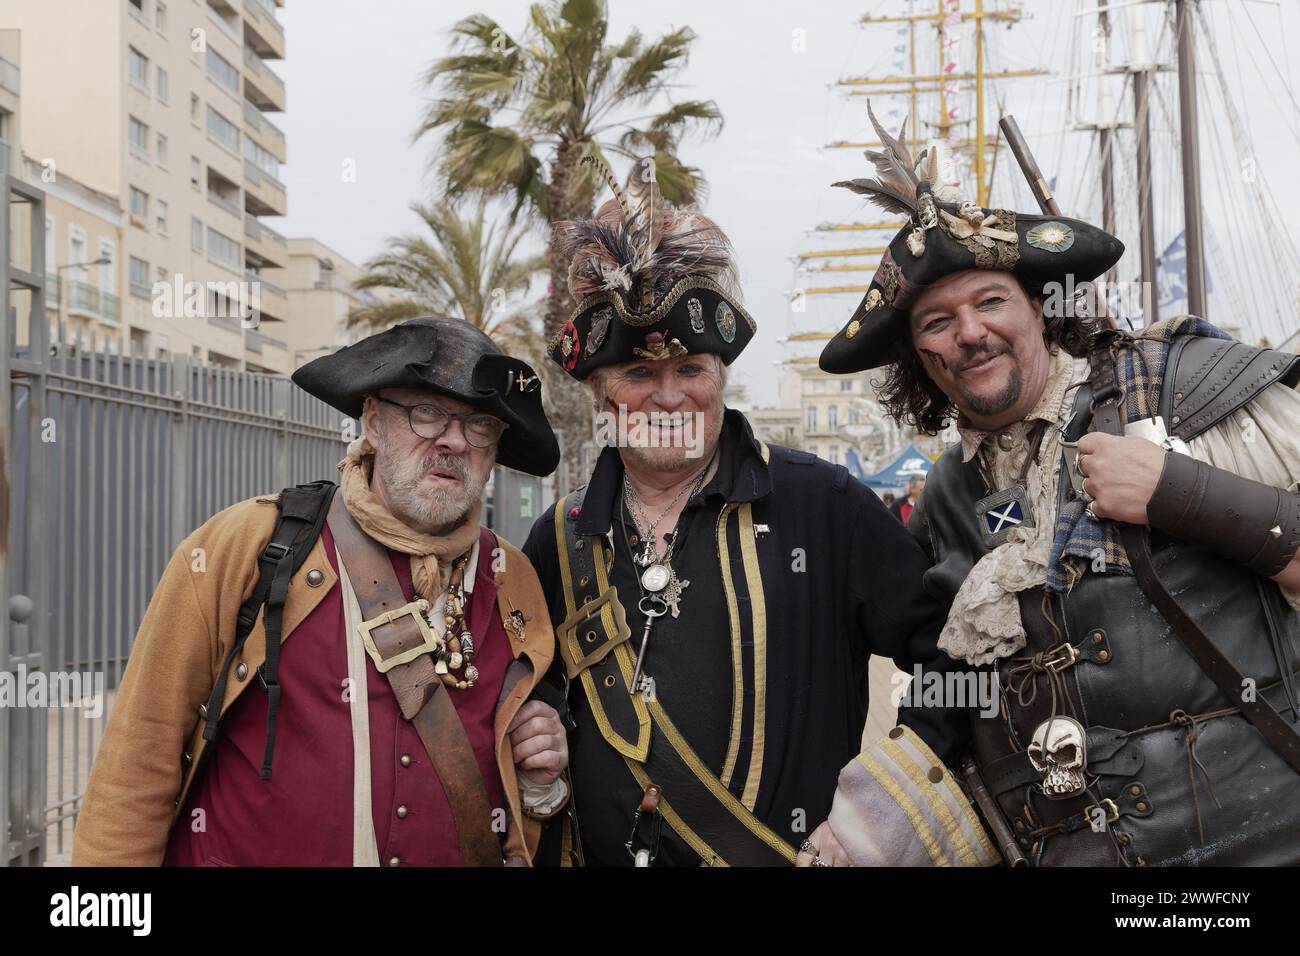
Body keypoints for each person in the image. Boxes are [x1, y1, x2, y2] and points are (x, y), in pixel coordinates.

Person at [817, 118, 1300, 866]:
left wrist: (1179, 492)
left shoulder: (1179, 386)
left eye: (991, 302)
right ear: (919, 356)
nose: (969, 333)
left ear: (1041, 305)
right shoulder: (950, 494)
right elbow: (961, 692)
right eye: (937, 322)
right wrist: (861, 830)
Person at [521, 157, 983, 868]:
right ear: (601, 393)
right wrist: (534, 735)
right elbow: (533, 698)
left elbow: (962, 658)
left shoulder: (824, 507)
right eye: (640, 375)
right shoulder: (555, 541)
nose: (668, 398)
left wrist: (885, 807)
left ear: (721, 378)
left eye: (691, 371)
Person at [74, 318, 570, 866]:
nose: (453, 440)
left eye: (479, 424)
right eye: (426, 412)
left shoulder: (514, 578)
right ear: (374, 422)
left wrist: (542, 774)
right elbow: (138, 760)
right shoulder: (248, 546)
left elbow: (522, 795)